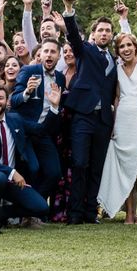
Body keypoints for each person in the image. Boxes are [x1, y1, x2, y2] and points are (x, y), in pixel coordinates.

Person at [60, 0, 118, 225]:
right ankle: (74, 213)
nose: (104, 34)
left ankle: (89, 212)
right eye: (100, 30)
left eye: (108, 31)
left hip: (103, 120)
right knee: (80, 163)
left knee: (96, 167)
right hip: (83, 116)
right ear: (94, 34)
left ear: (112, 35)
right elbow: (72, 34)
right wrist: (69, 8)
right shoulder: (84, 50)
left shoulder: (114, 60)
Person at [0, 84, 61, 235]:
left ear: (7, 101)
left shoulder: (16, 119)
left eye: (0, 98)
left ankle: (0, 214)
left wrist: (54, 107)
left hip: (13, 179)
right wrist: (11, 172)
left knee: (41, 207)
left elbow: (41, 130)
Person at [98, 0, 137, 224]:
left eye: (129, 45)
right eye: (122, 46)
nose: (126, 48)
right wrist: (112, 125)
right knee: (124, 166)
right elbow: (117, 98)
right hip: (122, 121)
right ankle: (129, 212)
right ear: (118, 51)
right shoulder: (117, 69)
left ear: (136, 48)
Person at [10, 39, 66, 205]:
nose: (49, 54)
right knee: (32, 169)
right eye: (46, 51)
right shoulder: (28, 70)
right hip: (25, 130)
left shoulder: (61, 79)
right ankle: (28, 210)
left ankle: (35, 207)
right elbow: (14, 101)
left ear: (58, 56)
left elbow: (56, 109)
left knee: (54, 172)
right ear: (40, 54)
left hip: (43, 132)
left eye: (53, 52)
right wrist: (27, 91)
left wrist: (56, 107)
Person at [50, 42, 77, 222]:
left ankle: (74, 209)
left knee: (75, 167)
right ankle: (57, 211)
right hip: (59, 126)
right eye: (64, 51)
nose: (68, 54)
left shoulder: (83, 73)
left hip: (76, 124)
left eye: (71, 50)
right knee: (59, 168)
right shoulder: (59, 76)